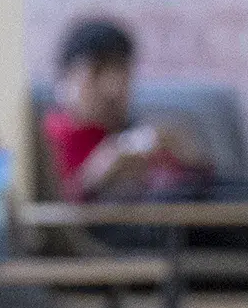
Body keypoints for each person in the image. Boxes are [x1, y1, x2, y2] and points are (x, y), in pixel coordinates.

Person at [43, 16, 214, 200]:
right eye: (97, 71)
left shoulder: (144, 137)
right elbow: (45, 210)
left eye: (122, 71)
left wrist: (189, 159)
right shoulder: (46, 141)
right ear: (65, 79)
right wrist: (92, 179)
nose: (113, 88)